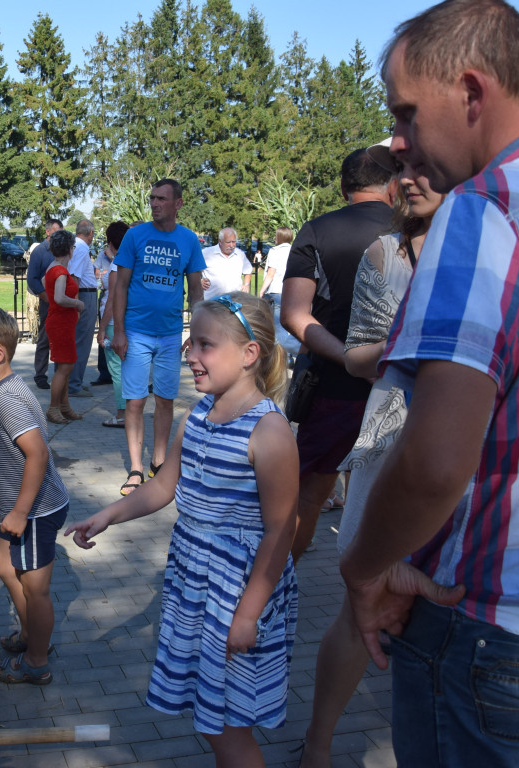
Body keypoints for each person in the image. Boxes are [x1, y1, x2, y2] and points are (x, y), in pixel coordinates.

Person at [340, 2, 519, 765]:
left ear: (472, 93)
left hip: (484, 631)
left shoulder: (482, 211)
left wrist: (363, 569)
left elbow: (437, 462)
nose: (397, 140)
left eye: (407, 113)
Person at [67, 292, 298, 768]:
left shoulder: (269, 432)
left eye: (204, 346)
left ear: (250, 353)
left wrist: (249, 613)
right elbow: (164, 487)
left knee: (230, 728)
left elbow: (281, 530)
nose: (189, 355)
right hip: (196, 583)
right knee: (211, 720)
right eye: (190, 343)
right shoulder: (197, 418)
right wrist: (109, 513)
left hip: (236, 592)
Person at [298, 144, 444, 768]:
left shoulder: (499, 247)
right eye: (405, 169)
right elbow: (355, 350)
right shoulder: (388, 253)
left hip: (476, 464)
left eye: (427, 168)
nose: (411, 179)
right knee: (364, 599)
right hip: (390, 440)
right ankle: (318, 744)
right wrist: (399, 351)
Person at [281, 149, 396, 561]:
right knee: (394, 494)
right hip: (401, 384)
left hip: (333, 384)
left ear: (344, 187)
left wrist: (349, 358)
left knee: (308, 493)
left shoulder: (317, 230)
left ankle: (278, 587)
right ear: (394, 185)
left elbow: (295, 314)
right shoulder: (420, 232)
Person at [0, 307, 69, 686]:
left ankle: (37, 659)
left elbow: (37, 453)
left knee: (36, 590)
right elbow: (11, 455)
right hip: (20, 505)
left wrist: (19, 511)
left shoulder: (6, 399)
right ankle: (30, 636)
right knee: (5, 567)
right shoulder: (1, 391)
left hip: (37, 509)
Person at [112, 179, 205, 496]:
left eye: (161, 199)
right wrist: (118, 331)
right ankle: (136, 469)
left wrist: (196, 332)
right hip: (135, 333)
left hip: (169, 335)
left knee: (165, 400)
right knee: (135, 402)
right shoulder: (135, 236)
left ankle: (159, 462)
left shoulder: (189, 240)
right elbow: (120, 285)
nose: (154, 203)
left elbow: (194, 290)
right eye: (152, 198)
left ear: (178, 204)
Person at [43, 230, 85, 424]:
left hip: (60, 322)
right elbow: (59, 298)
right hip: (60, 323)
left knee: (64, 366)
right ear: (70, 249)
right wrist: (77, 304)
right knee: (65, 366)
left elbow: (45, 284)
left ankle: (64, 407)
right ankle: (54, 408)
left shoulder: (53, 267)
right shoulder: (60, 271)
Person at [96, 221, 130, 428]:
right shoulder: (135, 261)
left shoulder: (118, 264)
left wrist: (101, 329)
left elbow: (112, 300)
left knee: (117, 370)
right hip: (131, 321)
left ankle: (122, 414)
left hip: (114, 323)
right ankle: (130, 412)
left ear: (110, 242)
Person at [25, 219, 64, 390]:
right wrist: (44, 295)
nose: (59, 234)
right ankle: (40, 375)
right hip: (47, 302)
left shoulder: (61, 251)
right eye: (56, 231)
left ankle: (60, 374)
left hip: (62, 301)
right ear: (48, 232)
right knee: (45, 338)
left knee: (61, 339)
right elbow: (32, 278)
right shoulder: (40, 252)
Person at [68, 219, 99, 398]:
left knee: (78, 340)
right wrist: (76, 302)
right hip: (84, 295)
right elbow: (74, 277)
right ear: (90, 233)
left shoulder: (75, 246)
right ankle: (74, 384)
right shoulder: (82, 248)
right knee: (82, 341)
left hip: (83, 294)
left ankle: (73, 382)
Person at [258, 227, 298, 360]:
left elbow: (271, 273)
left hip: (276, 291)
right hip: (293, 291)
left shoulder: (275, 251)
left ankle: (291, 353)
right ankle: (289, 355)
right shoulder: (295, 250)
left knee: (277, 327)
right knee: (293, 325)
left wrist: (262, 290)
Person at [201, 228, 253, 300]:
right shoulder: (206, 253)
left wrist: (246, 284)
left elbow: (248, 270)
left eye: (234, 242)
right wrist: (200, 281)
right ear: (220, 241)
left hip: (235, 301)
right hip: (212, 302)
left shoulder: (240, 254)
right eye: (228, 242)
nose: (231, 245)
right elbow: (194, 270)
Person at [91, 238, 115, 386]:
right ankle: (104, 373)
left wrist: (112, 259)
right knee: (104, 336)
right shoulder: (101, 255)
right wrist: (104, 273)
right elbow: (96, 274)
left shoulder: (122, 256)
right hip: (105, 295)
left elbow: (110, 273)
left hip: (116, 299)